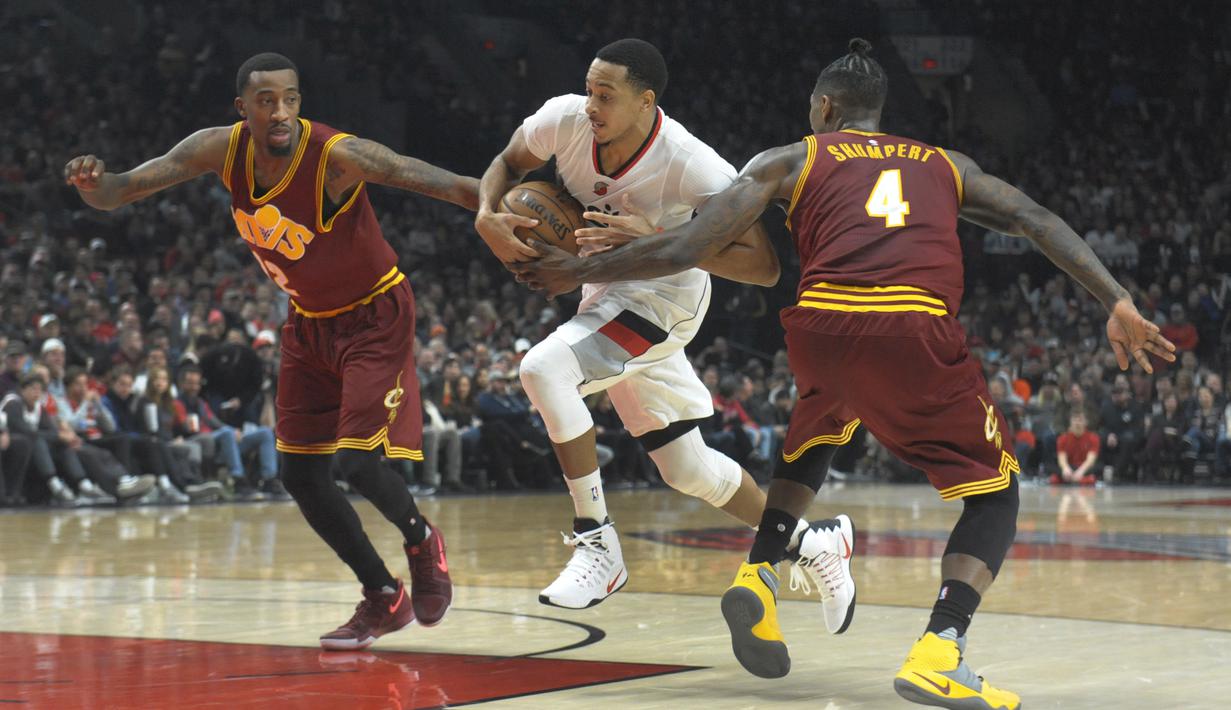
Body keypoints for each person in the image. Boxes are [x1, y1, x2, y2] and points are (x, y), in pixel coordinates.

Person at [513, 38, 1175, 709]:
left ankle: (759, 574)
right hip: (911, 328)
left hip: (821, 329)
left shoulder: (790, 159)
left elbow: (691, 244)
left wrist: (582, 269)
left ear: (824, 107)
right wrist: (1116, 298)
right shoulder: (945, 165)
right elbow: (1033, 219)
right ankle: (939, 649)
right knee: (995, 494)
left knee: (816, 438)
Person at [64, 52, 477, 650]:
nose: (280, 111)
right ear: (243, 109)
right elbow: (120, 191)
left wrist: (501, 206)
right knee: (300, 475)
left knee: (358, 462)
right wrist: (93, 184)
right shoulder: (218, 149)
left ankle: (421, 541)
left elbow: (434, 180)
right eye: (266, 101)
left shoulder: (336, 157)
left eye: (290, 99)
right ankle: (383, 596)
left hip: (374, 315)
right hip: (307, 323)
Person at [474, 38, 790, 610]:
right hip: (605, 292)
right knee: (686, 469)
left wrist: (659, 239)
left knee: (544, 369)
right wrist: (486, 214)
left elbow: (762, 266)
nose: (591, 106)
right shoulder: (564, 119)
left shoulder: (691, 164)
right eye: (589, 90)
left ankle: (598, 544)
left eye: (606, 96)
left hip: (662, 299)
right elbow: (507, 163)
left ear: (646, 102)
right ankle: (810, 542)